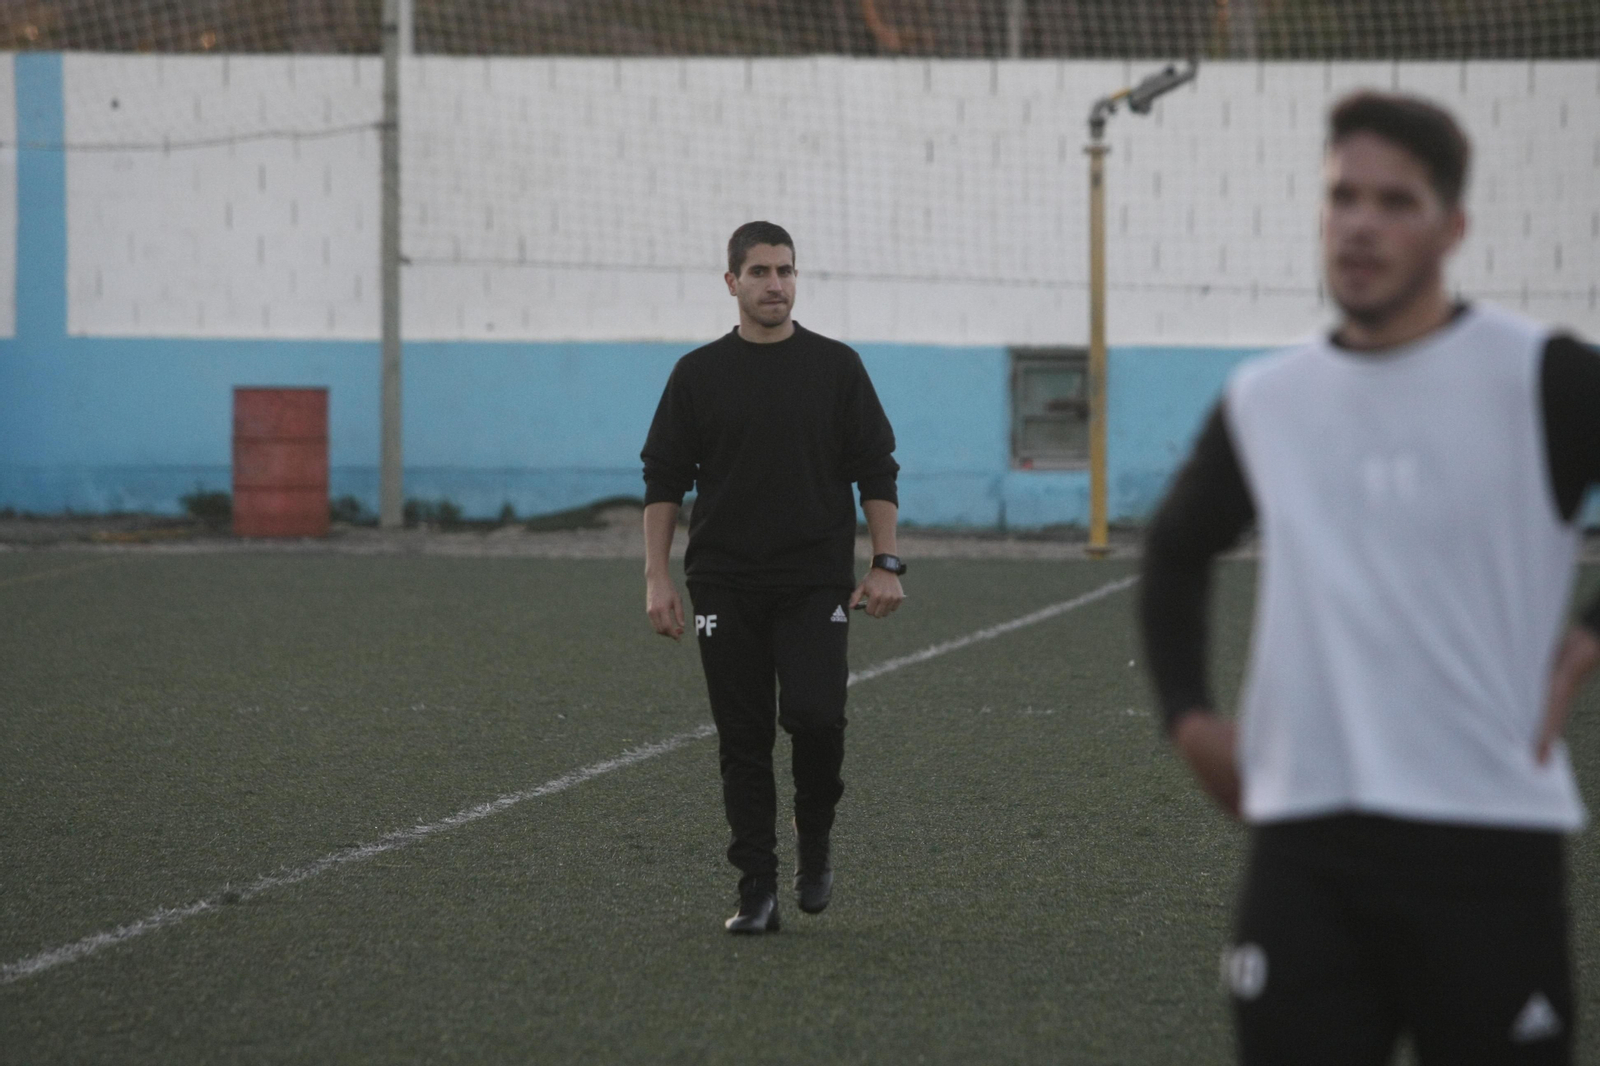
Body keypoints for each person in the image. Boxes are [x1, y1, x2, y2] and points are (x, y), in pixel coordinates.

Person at [1140, 91, 1600, 1064]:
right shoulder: (1269, 401)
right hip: (1307, 843)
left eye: (1395, 201)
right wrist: (1188, 716)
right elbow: (1175, 548)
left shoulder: (1542, 379)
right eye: (1342, 196)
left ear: (1453, 228)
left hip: (1487, 841)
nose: (1360, 223)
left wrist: (1591, 630)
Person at [641, 221, 906, 934]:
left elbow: (876, 468)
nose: (775, 285)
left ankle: (813, 835)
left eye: (785, 271)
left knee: (817, 719)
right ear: (732, 283)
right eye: (758, 272)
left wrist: (885, 562)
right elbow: (663, 479)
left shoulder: (837, 367)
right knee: (743, 737)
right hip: (723, 583)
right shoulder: (697, 375)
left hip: (816, 582)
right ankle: (755, 887)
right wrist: (656, 578)